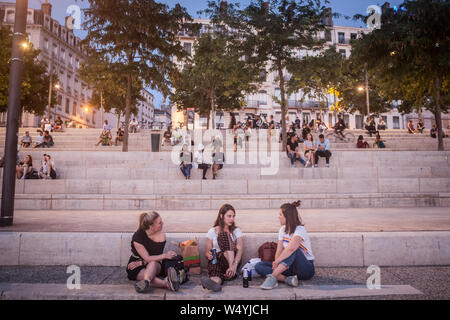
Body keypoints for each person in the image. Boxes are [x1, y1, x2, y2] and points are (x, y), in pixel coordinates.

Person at [256, 201, 315, 290]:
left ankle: (273, 277)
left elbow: (291, 249)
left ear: (287, 217)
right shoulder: (282, 230)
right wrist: (276, 263)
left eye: (280, 215)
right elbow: (279, 250)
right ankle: (288, 279)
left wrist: (277, 263)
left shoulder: (300, 229)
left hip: (305, 268)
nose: (278, 217)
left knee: (293, 249)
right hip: (288, 267)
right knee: (259, 266)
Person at [127, 212, 180, 293]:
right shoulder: (138, 237)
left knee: (152, 263)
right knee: (147, 275)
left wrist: (143, 263)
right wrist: (165, 255)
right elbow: (147, 257)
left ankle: (147, 281)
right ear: (151, 226)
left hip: (154, 263)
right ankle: (165, 283)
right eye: (159, 223)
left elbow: (154, 257)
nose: (162, 223)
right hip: (136, 263)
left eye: (161, 221)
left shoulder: (161, 235)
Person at [201, 204, 243, 292]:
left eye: (233, 216)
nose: (232, 219)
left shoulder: (236, 231)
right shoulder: (212, 231)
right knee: (215, 272)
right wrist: (209, 255)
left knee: (224, 235)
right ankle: (215, 283)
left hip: (232, 261)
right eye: (229, 216)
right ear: (221, 215)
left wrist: (233, 266)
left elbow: (240, 249)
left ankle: (231, 271)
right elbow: (207, 251)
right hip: (218, 260)